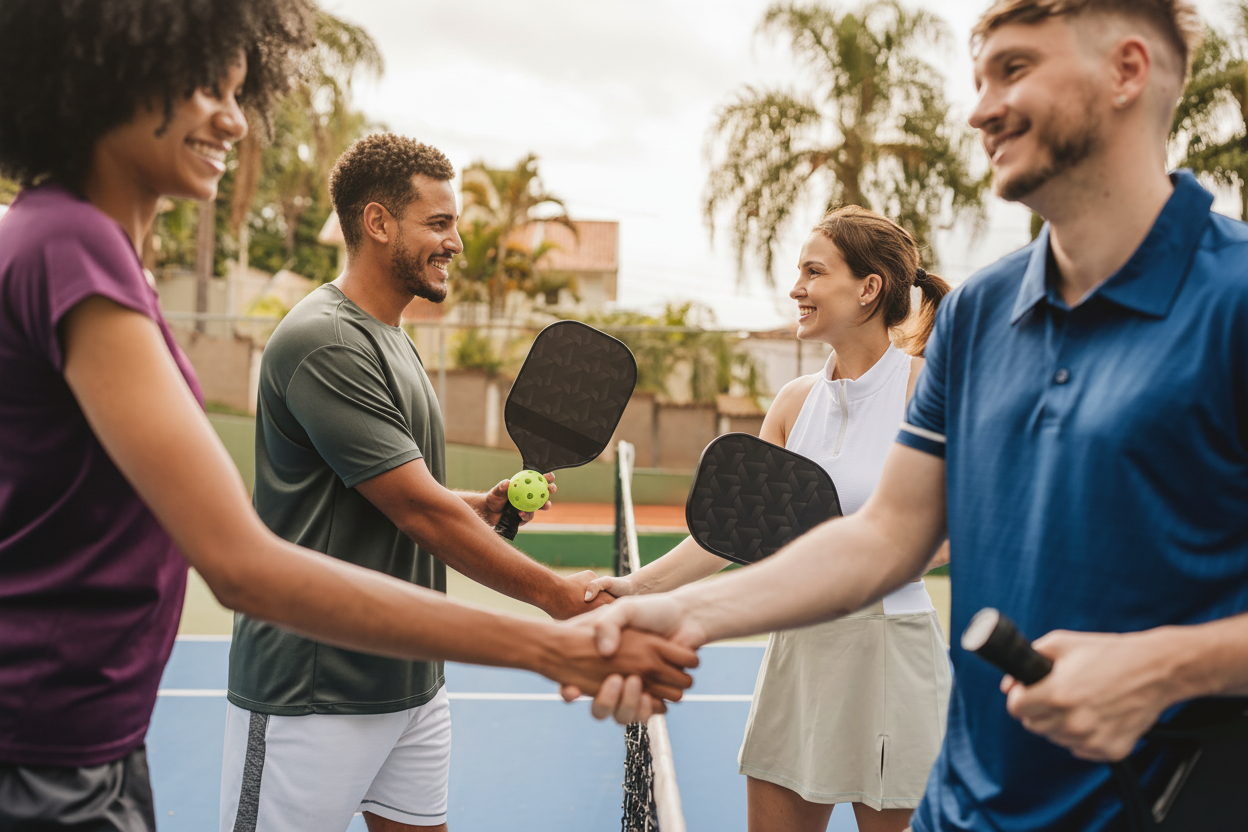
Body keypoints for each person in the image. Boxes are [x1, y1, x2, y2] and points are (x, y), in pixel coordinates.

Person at [0, 2, 694, 829]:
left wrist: (479, 514)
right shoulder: (68, 248)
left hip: (92, 730)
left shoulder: (94, 252)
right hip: (66, 736)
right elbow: (241, 564)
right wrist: (549, 639)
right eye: (201, 89)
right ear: (105, 75)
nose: (233, 118)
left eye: (235, 90)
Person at [577, 1, 1248, 830]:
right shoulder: (978, 317)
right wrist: (675, 609)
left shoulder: (1237, 302)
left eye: (1015, 69)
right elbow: (885, 537)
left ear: (1127, 71)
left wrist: (1163, 667)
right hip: (966, 808)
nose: (979, 109)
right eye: (978, 79)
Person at [218, 132, 611, 832]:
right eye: (439, 222)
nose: (456, 241)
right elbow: (418, 512)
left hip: (409, 683)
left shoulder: (393, 338)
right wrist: (557, 597)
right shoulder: (327, 340)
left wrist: (478, 506)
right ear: (378, 223)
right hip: (314, 689)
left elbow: (401, 492)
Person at [583, 206, 952, 832]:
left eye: (814, 271)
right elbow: (733, 532)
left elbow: (959, 530)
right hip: (797, 646)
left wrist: (860, 563)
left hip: (889, 650)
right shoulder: (792, 402)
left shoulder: (929, 391)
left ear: (869, 289)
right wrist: (635, 587)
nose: (796, 288)